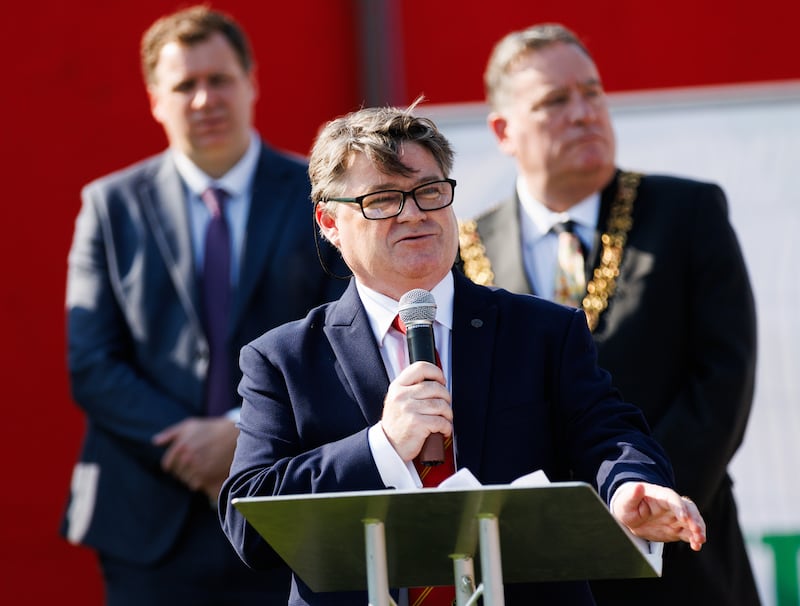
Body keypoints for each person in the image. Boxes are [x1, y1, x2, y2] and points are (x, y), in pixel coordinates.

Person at [219, 101, 706, 606]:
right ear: (329, 221)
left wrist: (629, 486)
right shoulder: (284, 358)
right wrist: (382, 447)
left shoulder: (543, 331)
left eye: (429, 192)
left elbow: (608, 435)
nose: (415, 214)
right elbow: (248, 518)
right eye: (383, 200)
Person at [457, 23, 759, 605]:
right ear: (503, 130)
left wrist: (647, 499)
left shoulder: (685, 213)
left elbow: (724, 382)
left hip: (681, 551)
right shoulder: (468, 250)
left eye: (592, 92)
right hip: (534, 569)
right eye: (554, 100)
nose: (583, 113)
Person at [61, 6, 347, 604]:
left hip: (287, 508)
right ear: (155, 100)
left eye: (219, 79)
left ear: (252, 83)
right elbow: (92, 362)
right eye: (184, 85)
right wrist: (191, 445)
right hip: (147, 520)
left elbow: (343, 339)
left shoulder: (321, 199)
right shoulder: (110, 205)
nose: (203, 99)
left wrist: (240, 432)